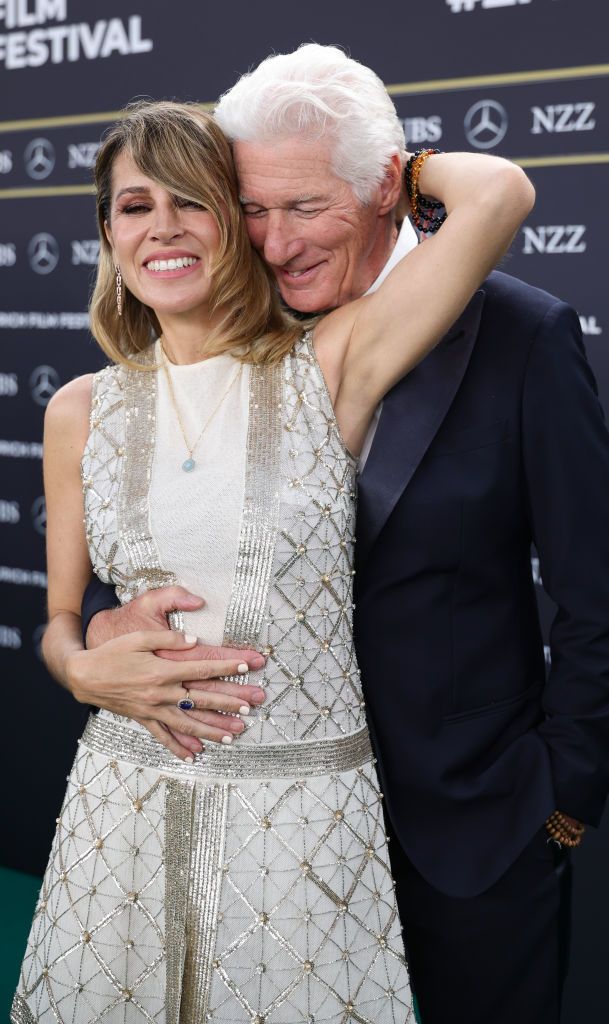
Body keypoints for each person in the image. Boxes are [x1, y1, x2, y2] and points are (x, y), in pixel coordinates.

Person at [13, 90, 533, 1024]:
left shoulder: (327, 363)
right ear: (108, 234)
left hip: (301, 820)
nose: (163, 228)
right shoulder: (78, 409)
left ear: (238, 224)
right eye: (135, 206)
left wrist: (397, 174)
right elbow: (57, 619)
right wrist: (81, 669)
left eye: (193, 201)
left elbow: (497, 193)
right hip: (122, 802)